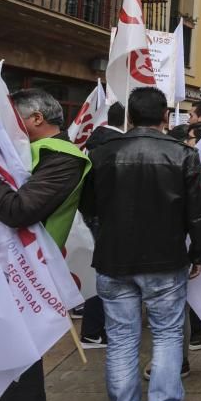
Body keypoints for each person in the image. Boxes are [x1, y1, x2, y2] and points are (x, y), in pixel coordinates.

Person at [80, 87, 201, 401]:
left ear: (131, 117)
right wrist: (199, 252)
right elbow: (198, 212)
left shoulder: (102, 153)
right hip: (164, 261)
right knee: (167, 336)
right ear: (166, 118)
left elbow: (89, 206)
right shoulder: (182, 154)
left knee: (122, 340)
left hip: (114, 258)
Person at [0, 89, 90, 401]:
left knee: (15, 381)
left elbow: (20, 210)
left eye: (12, 118)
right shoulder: (23, 152)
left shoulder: (63, 157)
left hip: (24, 279)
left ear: (36, 119)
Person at [80, 102, 127, 349]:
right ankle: (94, 330)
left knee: (99, 272)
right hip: (107, 218)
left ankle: (93, 329)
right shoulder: (116, 147)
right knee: (106, 276)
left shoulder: (96, 143)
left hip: (93, 215)